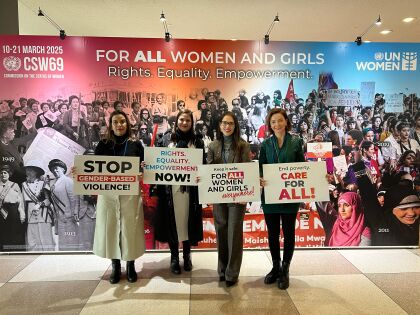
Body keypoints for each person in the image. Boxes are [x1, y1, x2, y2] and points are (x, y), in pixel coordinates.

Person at [93, 110, 145, 283]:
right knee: (111, 228)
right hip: (108, 194)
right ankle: (115, 265)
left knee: (130, 229)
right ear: (111, 125)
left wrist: (143, 168)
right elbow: (92, 169)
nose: (119, 125)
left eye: (122, 121)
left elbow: (144, 168)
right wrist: (78, 172)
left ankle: (130, 264)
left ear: (127, 124)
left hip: (129, 194)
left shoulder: (136, 144)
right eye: (115, 122)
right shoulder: (103, 144)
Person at [154, 109, 204, 275]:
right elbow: (156, 162)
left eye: (188, 121)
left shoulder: (197, 142)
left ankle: (187, 255)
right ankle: (174, 257)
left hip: (190, 191)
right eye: (182, 120)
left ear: (192, 123)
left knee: (187, 222)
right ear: (177, 121)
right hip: (171, 190)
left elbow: (203, 165)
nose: (184, 123)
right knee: (172, 222)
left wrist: (201, 176)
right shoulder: (166, 139)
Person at [259, 108, 305, 290]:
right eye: (273, 122)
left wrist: (319, 177)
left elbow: (302, 167)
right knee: (272, 233)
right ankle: (275, 267)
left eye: (279, 120)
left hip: (289, 194)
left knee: (288, 232)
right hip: (270, 194)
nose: (276, 124)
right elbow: (261, 167)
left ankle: (285, 269)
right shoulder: (265, 144)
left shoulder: (295, 142)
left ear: (286, 121)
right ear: (269, 125)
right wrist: (260, 177)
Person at [207, 111, 251, 287]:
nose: (227, 126)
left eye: (231, 123)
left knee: (234, 232)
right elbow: (208, 170)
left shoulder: (243, 146)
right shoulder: (212, 146)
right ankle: (222, 269)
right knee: (221, 230)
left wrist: (246, 194)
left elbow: (247, 171)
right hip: (218, 195)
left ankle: (232, 273)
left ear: (235, 126)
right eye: (224, 123)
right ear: (220, 126)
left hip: (237, 196)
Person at [354, 161, 420, 246]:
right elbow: (368, 196)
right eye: (404, 208)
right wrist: (359, 167)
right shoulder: (382, 224)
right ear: (391, 209)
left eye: (416, 207)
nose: (411, 213)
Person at [22, 160, 55, 251]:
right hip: (30, 215)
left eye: (30, 170)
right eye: (27, 170)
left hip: (43, 214)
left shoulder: (43, 183)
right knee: (32, 240)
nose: (28, 172)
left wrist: (39, 204)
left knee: (46, 240)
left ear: (36, 172)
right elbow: (23, 202)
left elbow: (48, 200)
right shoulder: (24, 185)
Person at [48, 159, 79, 251]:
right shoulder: (53, 184)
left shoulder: (67, 181)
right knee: (63, 242)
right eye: (53, 169)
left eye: (57, 168)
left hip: (68, 216)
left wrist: (74, 213)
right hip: (59, 217)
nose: (55, 171)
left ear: (63, 169)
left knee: (71, 240)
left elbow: (73, 199)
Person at [0, 165, 26, 251]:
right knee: (2, 231)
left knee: (12, 230)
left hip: (12, 210)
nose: (3, 174)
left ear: (9, 174)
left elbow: (20, 200)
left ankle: (11, 249)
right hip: (1, 210)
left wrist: (21, 212)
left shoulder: (14, 185)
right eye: (2, 173)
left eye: (5, 173)